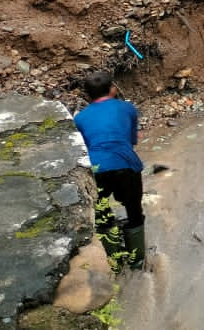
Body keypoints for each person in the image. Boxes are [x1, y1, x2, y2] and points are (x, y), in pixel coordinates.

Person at [72, 71, 146, 270]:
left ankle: (114, 262)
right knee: (134, 210)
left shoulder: (80, 118)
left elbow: (84, 148)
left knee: (102, 213)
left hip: (97, 169)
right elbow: (132, 140)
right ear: (113, 89)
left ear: (87, 96)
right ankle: (138, 261)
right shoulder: (127, 108)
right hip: (126, 164)